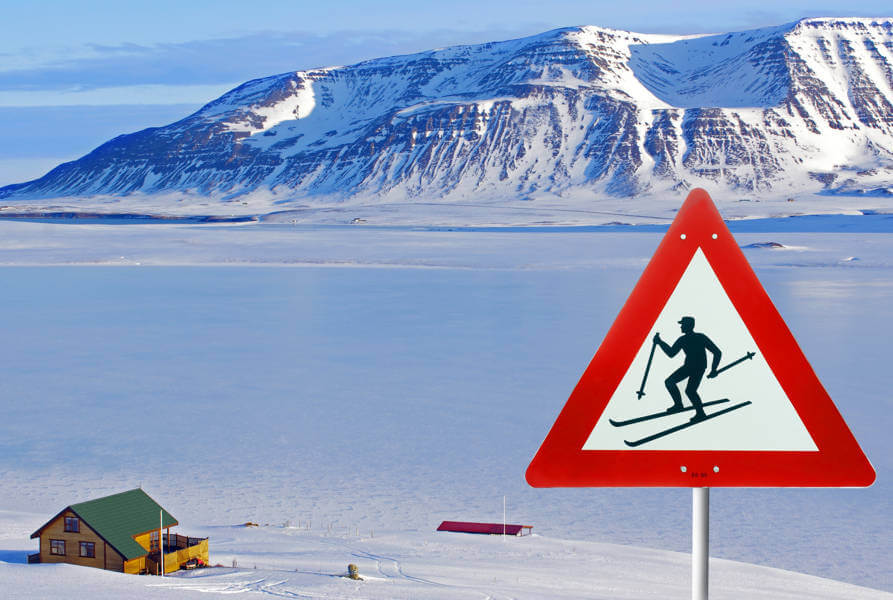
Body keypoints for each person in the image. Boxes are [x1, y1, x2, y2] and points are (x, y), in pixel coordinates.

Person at [653, 316, 721, 422]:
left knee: (690, 391)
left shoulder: (700, 337)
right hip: (689, 366)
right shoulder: (683, 339)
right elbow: (671, 353)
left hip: (698, 367)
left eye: (682, 324)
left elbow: (717, 352)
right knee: (670, 382)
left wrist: (714, 369)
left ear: (688, 325)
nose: (681, 327)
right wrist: (660, 342)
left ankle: (700, 413)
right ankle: (679, 404)